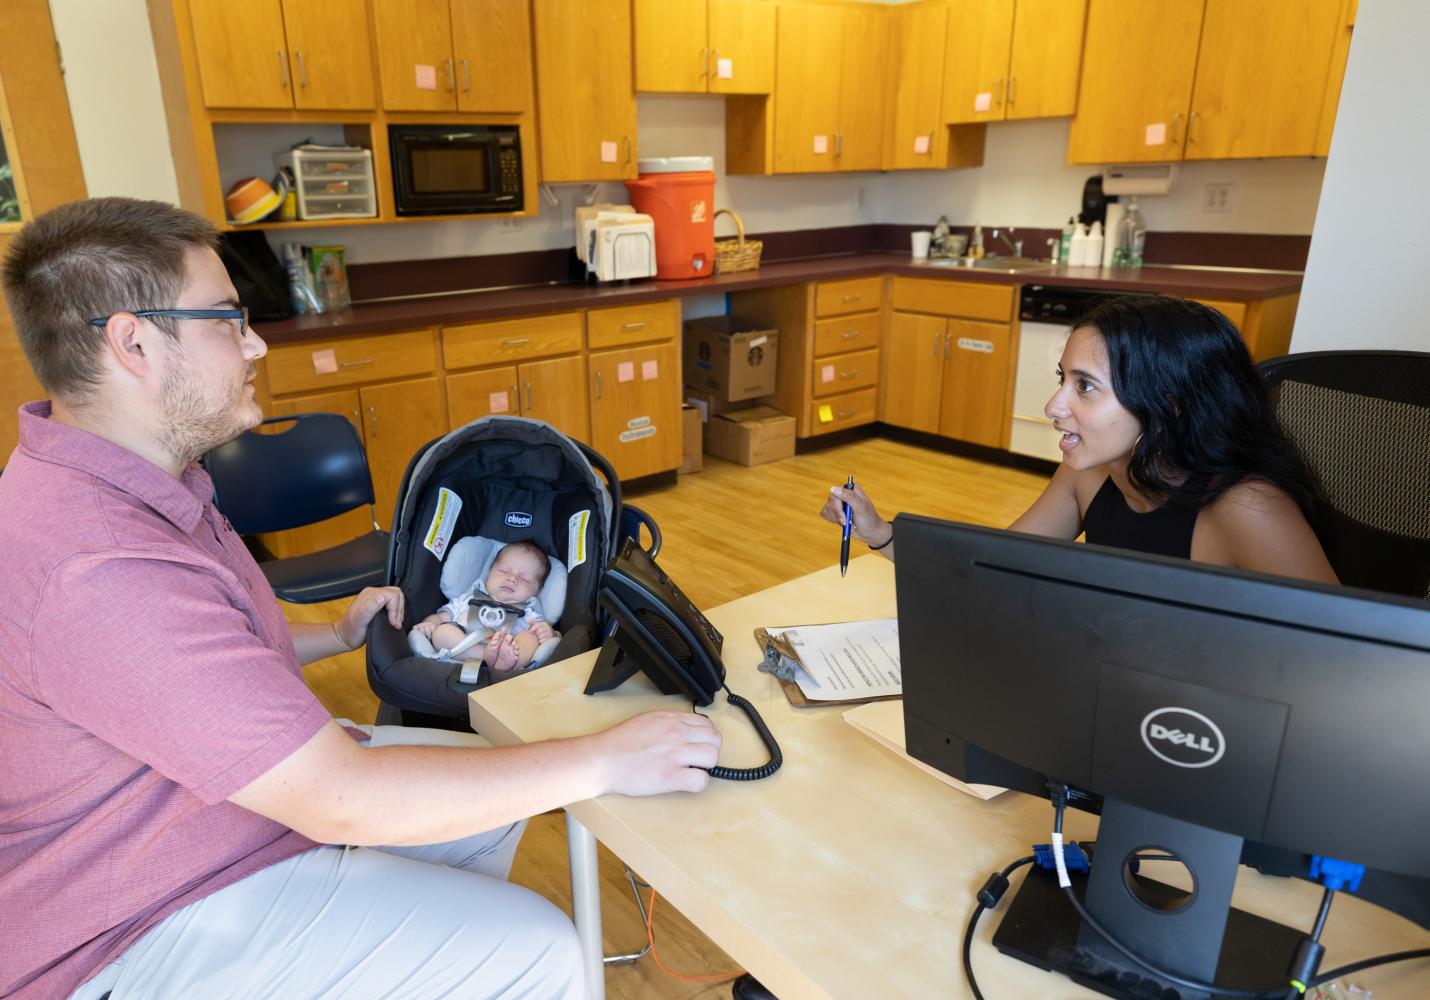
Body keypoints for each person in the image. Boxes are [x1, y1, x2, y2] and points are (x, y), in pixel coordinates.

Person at [0, 197, 723, 1000]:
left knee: (493, 785)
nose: (256, 341)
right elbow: (337, 798)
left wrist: (331, 634)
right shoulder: (100, 567)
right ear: (133, 341)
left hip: (216, 823)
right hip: (132, 929)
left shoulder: (143, 484)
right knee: (538, 949)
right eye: (226, 320)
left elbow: (187, 664)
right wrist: (604, 756)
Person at [821, 294, 1338, 584]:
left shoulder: (1246, 508)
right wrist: (879, 531)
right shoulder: (1086, 475)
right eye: (1061, 378)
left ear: (1169, 403)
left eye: (1085, 386)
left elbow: (1339, 661)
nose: (1053, 407)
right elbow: (989, 564)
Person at [410, 538, 559, 676]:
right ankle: (484, 656)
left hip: (508, 649)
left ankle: (508, 663)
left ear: (538, 592)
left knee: (532, 637)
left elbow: (545, 639)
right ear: (489, 572)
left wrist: (548, 633)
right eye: (504, 571)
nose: (512, 579)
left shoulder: (530, 612)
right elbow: (441, 617)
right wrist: (430, 623)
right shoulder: (470, 598)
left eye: (525, 579)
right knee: (442, 631)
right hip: (465, 646)